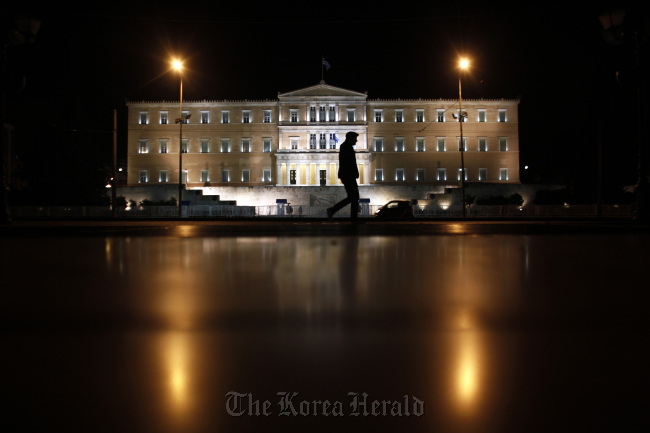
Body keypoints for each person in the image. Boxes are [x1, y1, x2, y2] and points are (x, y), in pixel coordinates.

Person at [327, 131, 360, 222]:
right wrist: (352, 174)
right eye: (355, 139)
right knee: (354, 197)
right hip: (348, 175)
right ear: (350, 138)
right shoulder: (345, 147)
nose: (356, 141)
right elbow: (348, 163)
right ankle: (353, 219)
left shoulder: (347, 147)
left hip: (348, 175)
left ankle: (333, 210)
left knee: (352, 197)